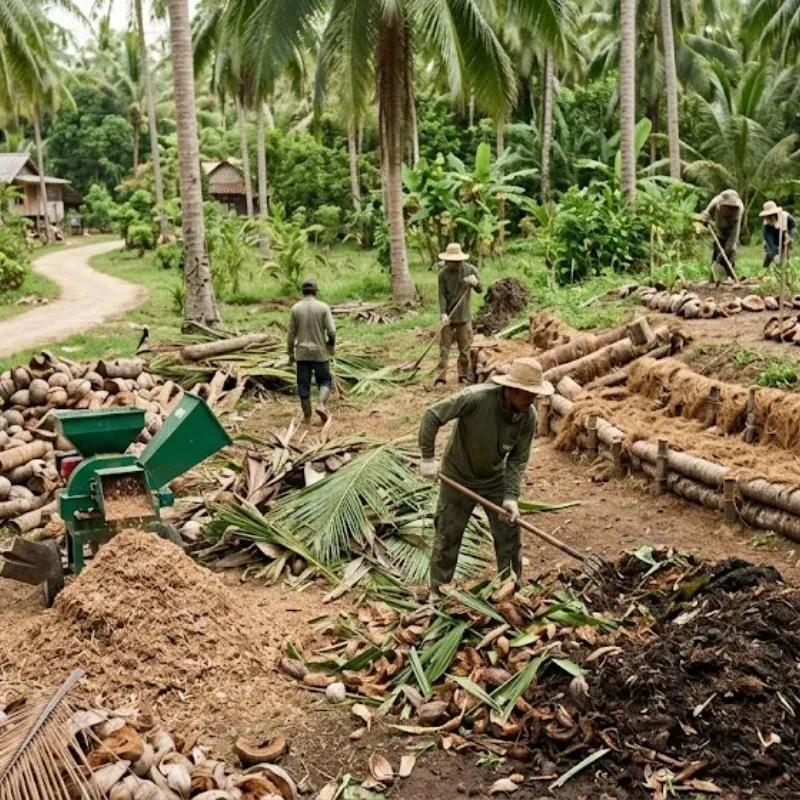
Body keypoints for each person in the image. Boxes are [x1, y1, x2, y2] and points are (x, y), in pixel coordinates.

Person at [418, 357, 554, 593]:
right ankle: (438, 593)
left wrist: (510, 496)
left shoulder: (528, 415)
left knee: (509, 536)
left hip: (494, 480)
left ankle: (510, 589)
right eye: (529, 394)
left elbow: (518, 459)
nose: (533, 399)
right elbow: (432, 416)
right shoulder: (475, 398)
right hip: (458, 476)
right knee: (447, 537)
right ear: (512, 389)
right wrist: (428, 458)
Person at [287, 278, 336, 424]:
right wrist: (330, 346)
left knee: (303, 384)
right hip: (320, 352)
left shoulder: (295, 308)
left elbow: (291, 334)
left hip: (302, 353)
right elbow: (332, 331)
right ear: (315, 291)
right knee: (325, 380)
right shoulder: (323, 307)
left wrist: (290, 354)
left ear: (303, 292)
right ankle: (321, 404)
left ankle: (307, 416)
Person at [435, 243, 482, 386]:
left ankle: (462, 374)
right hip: (448, 317)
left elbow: (480, 289)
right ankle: (441, 376)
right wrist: (443, 313)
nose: (454, 264)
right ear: (447, 260)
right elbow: (442, 295)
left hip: (464, 316)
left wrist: (475, 283)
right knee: (444, 347)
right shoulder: (443, 275)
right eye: (451, 261)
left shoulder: (470, 270)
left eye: (457, 261)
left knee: (465, 348)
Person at [698, 189, 743, 284]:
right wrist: (705, 220)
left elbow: (735, 233)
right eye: (726, 207)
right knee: (718, 249)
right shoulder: (715, 202)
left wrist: (728, 248)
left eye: (730, 208)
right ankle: (713, 276)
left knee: (730, 250)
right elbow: (705, 215)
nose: (728, 210)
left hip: (731, 229)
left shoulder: (738, 211)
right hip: (720, 227)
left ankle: (730, 275)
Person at [760, 200, 796, 270]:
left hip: (785, 237)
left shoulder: (786, 217)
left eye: (772, 218)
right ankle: (765, 269)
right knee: (771, 255)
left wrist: (790, 236)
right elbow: (769, 241)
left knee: (785, 258)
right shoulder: (766, 226)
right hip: (774, 239)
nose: (770, 220)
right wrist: (774, 254)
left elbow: (793, 226)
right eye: (768, 218)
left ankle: (783, 271)